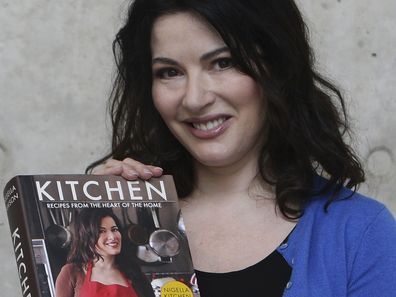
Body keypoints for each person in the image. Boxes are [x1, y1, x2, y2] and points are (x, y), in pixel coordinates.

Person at [90, 0, 396, 296]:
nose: (194, 99)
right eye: (170, 72)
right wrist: (89, 210)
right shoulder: (124, 228)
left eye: (223, 63)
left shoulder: (361, 232)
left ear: (277, 67)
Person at [55, 208, 154, 297]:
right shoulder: (72, 272)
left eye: (114, 229)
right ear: (87, 238)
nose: (112, 236)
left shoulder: (136, 275)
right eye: (101, 231)